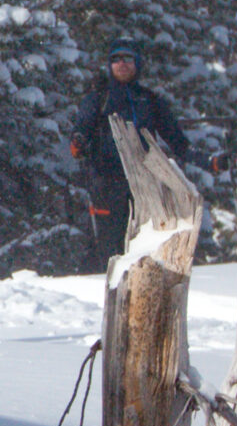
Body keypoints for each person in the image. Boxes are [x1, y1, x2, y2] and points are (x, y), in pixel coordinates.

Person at [69, 36, 191, 272]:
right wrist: (78, 142)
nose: (121, 63)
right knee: (108, 246)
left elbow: (178, 141)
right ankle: (98, 292)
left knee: (144, 247)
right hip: (106, 182)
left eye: (127, 58)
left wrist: (211, 162)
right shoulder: (99, 97)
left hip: (144, 185)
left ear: (137, 63)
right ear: (109, 65)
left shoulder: (149, 101)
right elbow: (81, 127)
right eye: (115, 59)